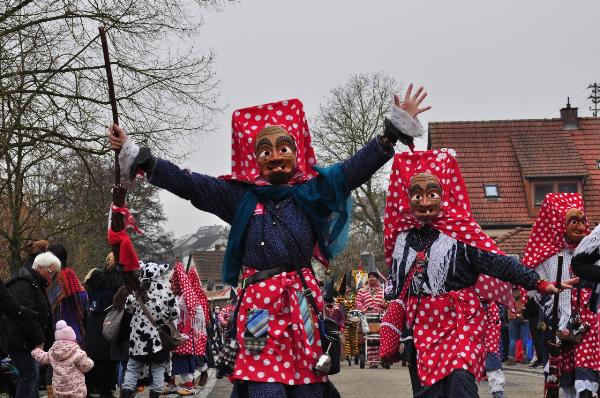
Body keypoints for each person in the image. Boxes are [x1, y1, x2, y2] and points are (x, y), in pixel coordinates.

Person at [107, 86, 427, 397]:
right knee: (265, 387)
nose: (275, 156)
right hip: (259, 309)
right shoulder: (239, 196)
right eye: (266, 151)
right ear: (255, 159)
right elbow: (192, 184)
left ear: (296, 152)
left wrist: (390, 134)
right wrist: (144, 160)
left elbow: (351, 172)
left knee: (310, 384)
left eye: (283, 148)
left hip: (301, 302)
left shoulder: (311, 192)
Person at [378, 148, 576, 398]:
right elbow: (397, 291)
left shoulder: (461, 235)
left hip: (460, 322)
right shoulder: (402, 241)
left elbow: (499, 263)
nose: (425, 202)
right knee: (429, 393)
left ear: (444, 195)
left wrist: (539, 283)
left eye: (432, 193)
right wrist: (403, 333)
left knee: (461, 382)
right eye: (417, 195)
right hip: (422, 329)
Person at [522, 193, 599, 398]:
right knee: (563, 379)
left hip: (591, 324)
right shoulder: (548, 256)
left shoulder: (591, 250)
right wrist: (547, 287)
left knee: (587, 376)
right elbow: (530, 284)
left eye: (583, 221)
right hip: (560, 326)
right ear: (558, 224)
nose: (581, 227)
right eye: (574, 221)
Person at [2, 251, 60, 398]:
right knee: (29, 375)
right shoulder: (24, 284)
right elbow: (25, 317)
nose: (52, 277)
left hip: (27, 341)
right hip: (21, 341)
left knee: (31, 376)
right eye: (51, 272)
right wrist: (39, 340)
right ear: (40, 267)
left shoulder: (33, 283)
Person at [120, 261, 179, 398]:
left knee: (133, 368)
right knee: (158, 368)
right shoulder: (165, 291)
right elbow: (175, 313)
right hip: (159, 338)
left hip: (137, 339)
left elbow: (127, 307)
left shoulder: (136, 291)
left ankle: (126, 394)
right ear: (159, 273)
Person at [164, 262, 210, 395]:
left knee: (183, 360)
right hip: (173, 333)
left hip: (183, 335)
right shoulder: (176, 296)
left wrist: (184, 333)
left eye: (173, 282)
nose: (171, 285)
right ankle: (171, 384)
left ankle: (190, 385)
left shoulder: (186, 297)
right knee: (170, 361)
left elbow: (192, 314)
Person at [84, 252, 124, 398]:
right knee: (107, 358)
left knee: (92, 356)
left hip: (93, 321)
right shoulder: (115, 281)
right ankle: (105, 391)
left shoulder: (94, 280)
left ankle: (88, 389)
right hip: (109, 321)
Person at [31, 320, 94, 398]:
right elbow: (85, 367)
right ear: (73, 338)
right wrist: (90, 362)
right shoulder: (78, 352)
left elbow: (43, 357)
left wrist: (35, 351)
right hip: (76, 389)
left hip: (59, 389)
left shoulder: (52, 352)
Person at [355, 252, 386, 368]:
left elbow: (388, 301)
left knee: (380, 339)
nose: (372, 278)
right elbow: (357, 303)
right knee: (369, 339)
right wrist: (363, 308)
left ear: (377, 279)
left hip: (380, 318)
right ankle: (372, 360)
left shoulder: (383, 290)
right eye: (370, 277)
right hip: (366, 318)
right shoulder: (362, 291)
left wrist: (385, 305)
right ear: (367, 278)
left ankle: (381, 358)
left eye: (374, 276)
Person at [482, 300, 506, 398]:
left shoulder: (489, 305)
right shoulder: (492, 304)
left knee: (494, 370)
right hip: (488, 342)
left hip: (489, 343)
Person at [506, 286, 528, 365]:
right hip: (523, 319)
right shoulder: (524, 299)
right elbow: (526, 309)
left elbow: (508, 310)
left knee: (512, 340)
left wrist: (512, 315)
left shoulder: (510, 299)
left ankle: (512, 359)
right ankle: (525, 357)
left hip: (512, 319)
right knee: (524, 338)